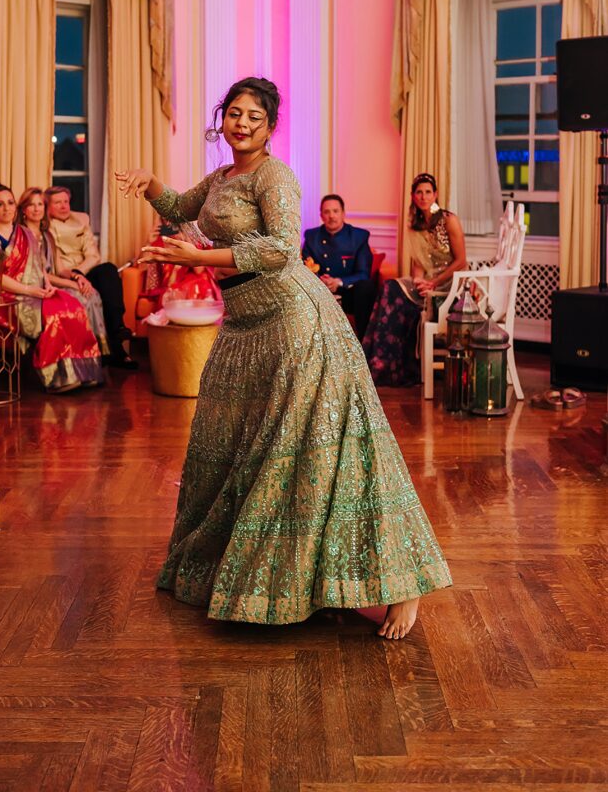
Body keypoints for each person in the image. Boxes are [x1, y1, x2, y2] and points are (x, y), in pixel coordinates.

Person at [115, 77, 451, 640]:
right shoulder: (223, 178)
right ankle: (273, 572)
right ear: (223, 119)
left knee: (317, 448)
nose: (242, 123)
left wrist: (198, 255)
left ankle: (397, 583)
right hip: (245, 323)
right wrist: (151, 186)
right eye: (234, 113)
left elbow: (278, 249)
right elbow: (179, 207)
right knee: (234, 444)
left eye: (255, 116)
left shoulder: (276, 177)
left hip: (295, 321)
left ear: (270, 126)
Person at [0, 183, 104, 393]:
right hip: (7, 298)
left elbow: (39, 268)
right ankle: (57, 378)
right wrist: (30, 291)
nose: (6, 208)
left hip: (36, 291)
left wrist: (46, 286)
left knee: (73, 307)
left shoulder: (25, 234)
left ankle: (83, 373)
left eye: (10, 203)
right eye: (0, 205)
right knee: (55, 315)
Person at [363, 172, 467, 387]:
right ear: (413, 196)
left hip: (449, 285)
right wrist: (419, 282)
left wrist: (433, 283)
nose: (423, 196)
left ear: (435, 194)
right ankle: (381, 365)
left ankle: (385, 365)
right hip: (427, 285)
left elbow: (461, 262)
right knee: (390, 288)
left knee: (393, 293)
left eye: (428, 192)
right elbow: (418, 265)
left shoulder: (449, 220)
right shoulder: (416, 225)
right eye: (419, 192)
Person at [44, 186, 137, 369]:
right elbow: (54, 265)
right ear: (48, 207)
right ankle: (114, 350)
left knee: (108, 270)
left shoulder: (80, 222)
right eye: (57, 203)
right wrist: (73, 277)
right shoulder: (45, 227)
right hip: (61, 275)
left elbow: (93, 256)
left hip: (83, 272)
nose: (64, 206)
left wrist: (79, 274)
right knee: (97, 288)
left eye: (66, 201)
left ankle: (118, 328)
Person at [17, 187, 109, 357]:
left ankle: (96, 351)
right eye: (31, 205)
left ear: (44, 209)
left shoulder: (47, 236)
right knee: (80, 296)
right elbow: (41, 274)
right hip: (38, 287)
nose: (37, 209)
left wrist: (78, 277)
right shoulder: (22, 236)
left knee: (91, 293)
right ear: (23, 210)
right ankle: (77, 353)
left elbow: (60, 269)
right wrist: (72, 284)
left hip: (54, 282)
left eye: (40, 205)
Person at [302, 194, 376, 337]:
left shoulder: (358, 236)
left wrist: (339, 282)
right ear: (321, 216)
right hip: (319, 293)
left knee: (366, 286)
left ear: (343, 213)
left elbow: (363, 273)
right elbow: (305, 266)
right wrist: (320, 281)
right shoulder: (312, 236)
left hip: (348, 294)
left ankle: (363, 344)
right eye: (327, 212)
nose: (331, 216)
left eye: (335, 211)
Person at [136, 219, 222, 320]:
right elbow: (143, 267)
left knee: (198, 285)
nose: (169, 222)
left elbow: (199, 270)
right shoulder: (159, 241)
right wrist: (148, 243)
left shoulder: (193, 239)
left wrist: (188, 239)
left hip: (197, 282)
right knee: (176, 292)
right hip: (171, 286)